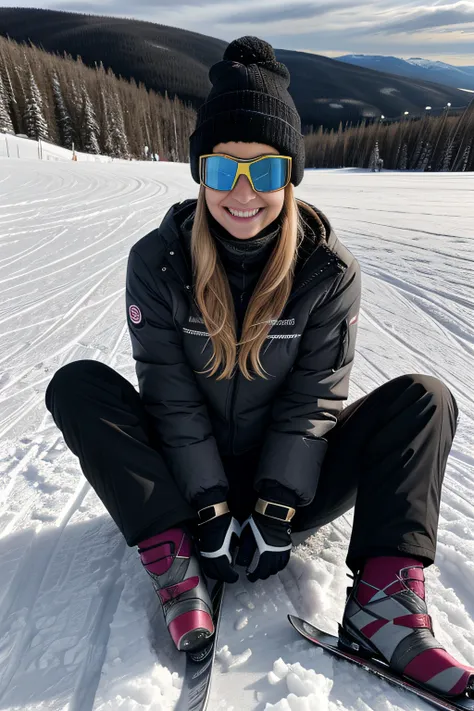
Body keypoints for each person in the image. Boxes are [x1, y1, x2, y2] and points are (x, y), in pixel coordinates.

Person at [45, 36, 473, 698]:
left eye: (265, 171)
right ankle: (176, 561)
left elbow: (314, 401)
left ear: (290, 176)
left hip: (291, 492)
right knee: (77, 386)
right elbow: (170, 399)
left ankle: (383, 607)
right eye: (225, 170)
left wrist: (274, 509)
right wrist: (209, 509)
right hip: (188, 495)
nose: (243, 193)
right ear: (201, 173)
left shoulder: (327, 271)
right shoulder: (158, 262)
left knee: (425, 399)